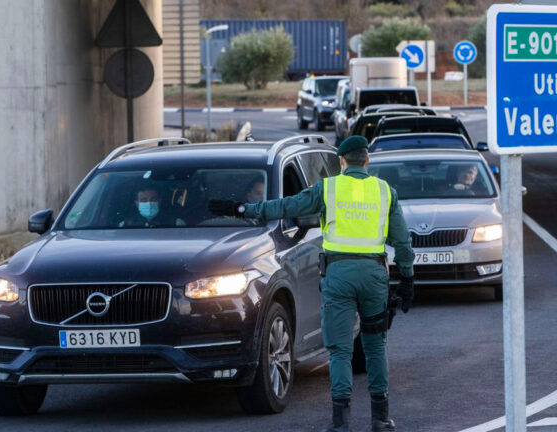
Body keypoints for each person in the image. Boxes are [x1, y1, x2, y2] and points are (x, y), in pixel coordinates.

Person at [208, 136, 415, 432]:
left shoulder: (328, 188)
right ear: (367, 161)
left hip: (338, 275)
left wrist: (244, 210)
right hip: (373, 276)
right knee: (375, 346)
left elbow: (287, 206)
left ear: (341, 161)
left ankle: (341, 422)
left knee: (340, 350)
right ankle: (381, 419)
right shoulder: (385, 192)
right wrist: (407, 278)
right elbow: (402, 242)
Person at [118, 185, 185, 228]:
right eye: (144, 200)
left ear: (159, 201)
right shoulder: (125, 225)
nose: (149, 203)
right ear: (137, 203)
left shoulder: (176, 223)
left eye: (153, 199)